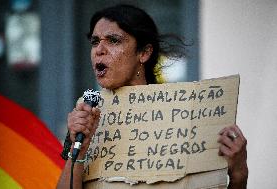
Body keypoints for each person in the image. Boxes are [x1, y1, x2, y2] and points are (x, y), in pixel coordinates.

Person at [56, 4, 248, 189]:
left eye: (114, 40)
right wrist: (78, 150)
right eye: (95, 41)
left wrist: (239, 174)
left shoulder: (182, 116)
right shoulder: (87, 117)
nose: (99, 50)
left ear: (144, 53)